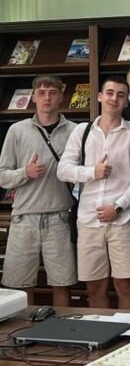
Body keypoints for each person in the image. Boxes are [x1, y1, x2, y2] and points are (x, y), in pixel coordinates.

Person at [57, 76, 130, 309]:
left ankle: (128, 331)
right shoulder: (82, 131)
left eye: (120, 95)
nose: (114, 98)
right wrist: (93, 172)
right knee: (94, 287)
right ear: (100, 97)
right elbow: (63, 170)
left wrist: (118, 206)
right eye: (109, 93)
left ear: (127, 101)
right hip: (88, 220)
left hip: (123, 219)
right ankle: (100, 331)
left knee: (125, 285)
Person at [0, 76, 76, 306]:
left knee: (62, 283)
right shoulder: (17, 130)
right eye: (41, 93)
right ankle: (23, 328)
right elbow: (2, 176)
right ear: (33, 97)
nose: (46, 98)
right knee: (20, 285)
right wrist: (26, 172)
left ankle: (62, 326)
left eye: (52, 92)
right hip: (24, 218)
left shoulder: (75, 131)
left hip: (60, 217)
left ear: (61, 96)